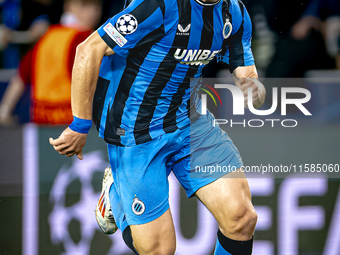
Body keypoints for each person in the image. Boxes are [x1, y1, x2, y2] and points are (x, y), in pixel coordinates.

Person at [49, 0, 266, 254]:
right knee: (159, 250)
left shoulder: (235, 12)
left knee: (242, 218)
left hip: (190, 122)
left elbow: (246, 72)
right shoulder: (159, 5)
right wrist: (79, 125)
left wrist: (253, 87)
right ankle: (116, 196)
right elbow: (88, 50)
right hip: (135, 130)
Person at [0, 0, 102, 125]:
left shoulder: (46, 36)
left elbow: (20, 78)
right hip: (75, 124)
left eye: (97, 7)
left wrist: (5, 111)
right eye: (85, 6)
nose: (93, 12)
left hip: (43, 122)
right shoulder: (87, 39)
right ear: (68, 6)